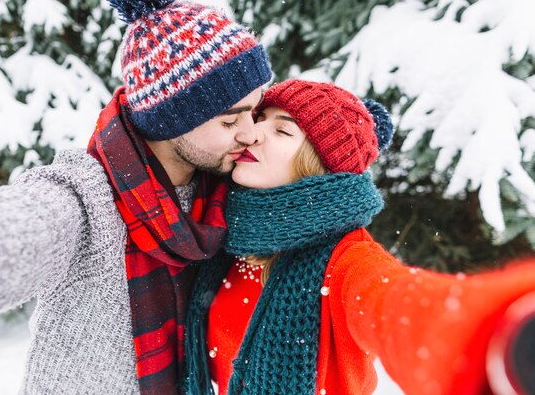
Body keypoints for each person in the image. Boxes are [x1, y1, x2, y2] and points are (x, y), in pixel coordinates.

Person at [0, 0, 272, 394]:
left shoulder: (229, 196)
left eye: (254, 112)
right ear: (174, 119)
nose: (251, 133)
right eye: (230, 119)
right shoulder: (83, 201)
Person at [183, 79, 535, 395]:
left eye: (283, 131)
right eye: (260, 119)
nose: (254, 133)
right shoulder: (221, 233)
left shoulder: (346, 260)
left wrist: (495, 333)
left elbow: (399, 306)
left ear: (316, 164)